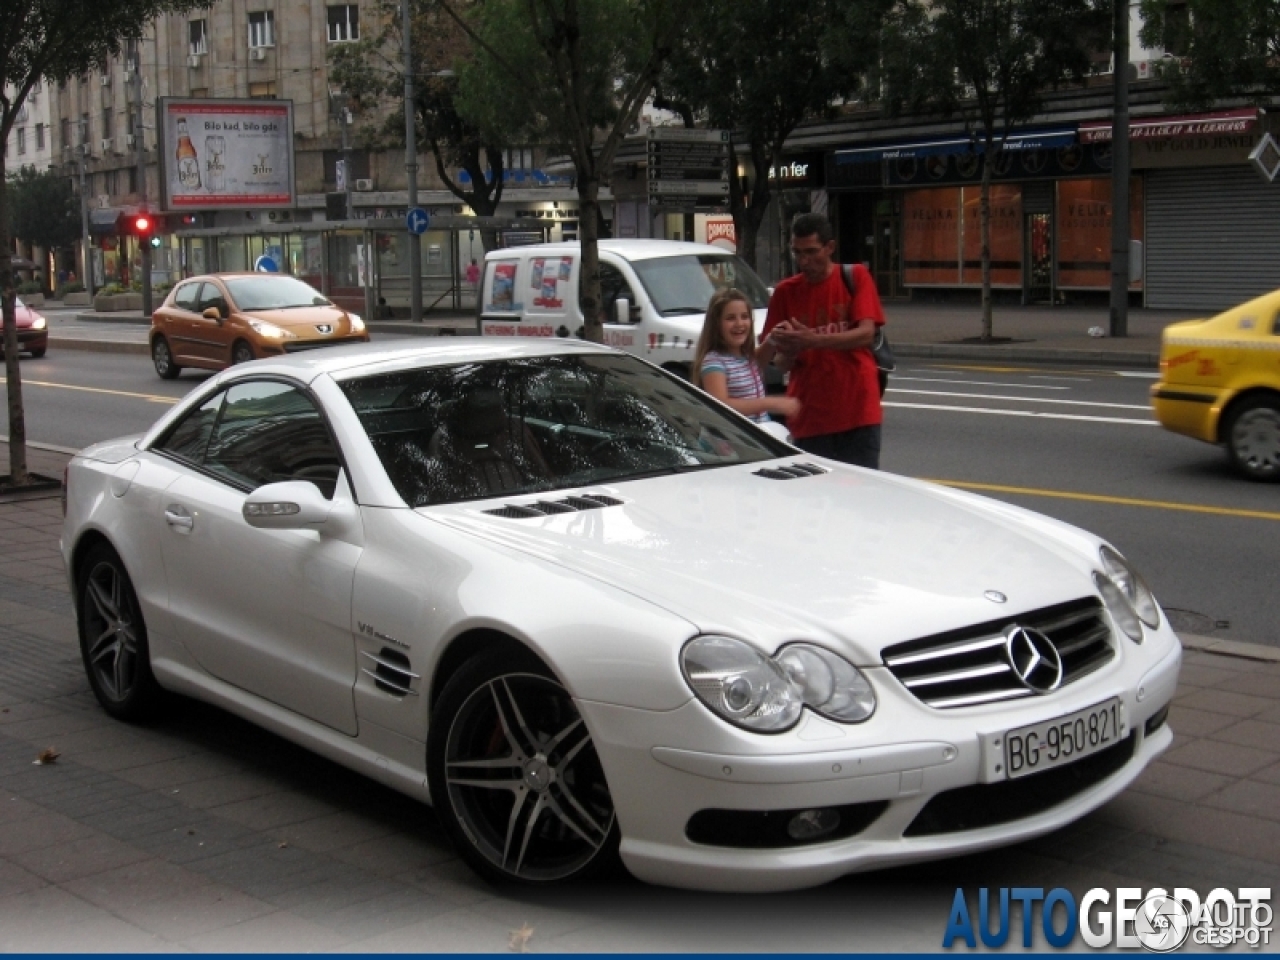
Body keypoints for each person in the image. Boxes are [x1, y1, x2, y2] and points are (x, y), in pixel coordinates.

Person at [757, 212, 886, 469]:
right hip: (810, 416)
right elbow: (780, 363)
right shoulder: (785, 292)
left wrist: (811, 339)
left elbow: (865, 333)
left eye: (811, 252)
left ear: (830, 247)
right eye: (797, 253)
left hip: (858, 411)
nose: (804, 261)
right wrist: (789, 349)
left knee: (862, 497)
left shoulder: (855, 276)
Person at [694, 288, 800, 424]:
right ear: (716, 324)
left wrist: (772, 339)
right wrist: (770, 403)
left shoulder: (745, 356)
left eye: (744, 316)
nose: (739, 324)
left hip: (757, 435)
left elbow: (758, 362)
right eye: (730, 318)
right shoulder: (713, 361)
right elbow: (721, 404)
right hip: (729, 442)